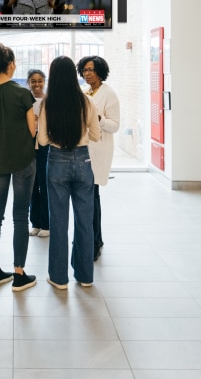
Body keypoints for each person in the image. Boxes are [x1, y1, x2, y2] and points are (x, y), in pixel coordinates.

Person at [38, 56, 101, 290]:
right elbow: (95, 135)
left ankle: (59, 277)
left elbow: (43, 140)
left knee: (59, 222)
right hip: (83, 160)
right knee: (85, 221)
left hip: (57, 161)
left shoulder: (47, 103)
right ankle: (85, 276)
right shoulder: (86, 101)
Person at [0, 42, 37, 292]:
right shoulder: (23, 93)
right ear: (11, 64)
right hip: (23, 159)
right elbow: (33, 129)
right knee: (20, 215)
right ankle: (19, 273)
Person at [77, 55, 120, 261]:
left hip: (99, 151)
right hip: (84, 151)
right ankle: (96, 239)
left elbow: (115, 125)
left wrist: (98, 118)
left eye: (91, 69)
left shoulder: (108, 94)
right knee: (90, 198)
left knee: (91, 198)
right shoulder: (85, 92)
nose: (87, 73)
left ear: (100, 71)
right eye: (84, 70)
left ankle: (94, 243)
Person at [27, 69, 50, 238]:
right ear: (28, 82)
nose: (37, 84)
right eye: (33, 81)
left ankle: (47, 224)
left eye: (40, 81)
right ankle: (35, 223)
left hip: (44, 146)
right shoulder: (25, 100)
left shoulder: (49, 101)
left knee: (45, 185)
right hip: (27, 146)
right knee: (32, 186)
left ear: (44, 81)